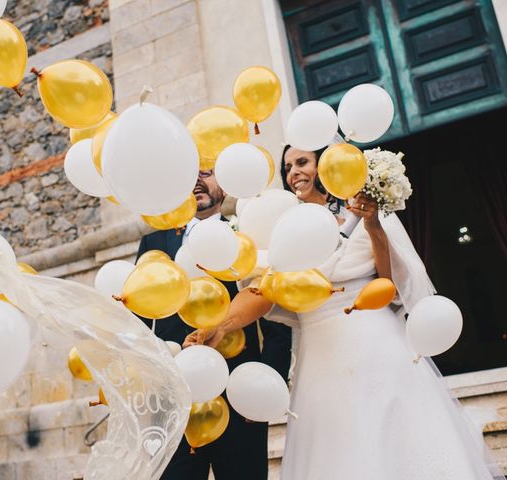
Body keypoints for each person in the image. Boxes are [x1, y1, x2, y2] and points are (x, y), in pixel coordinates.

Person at [185, 146, 504, 479]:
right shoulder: (282, 230)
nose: (294, 171)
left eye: (302, 162)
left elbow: (389, 285)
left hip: (376, 340)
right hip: (320, 355)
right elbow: (263, 292)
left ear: (325, 165)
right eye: (287, 166)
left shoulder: (363, 213)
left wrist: (373, 225)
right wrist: (221, 326)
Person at [137, 168, 292, 480]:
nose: (196, 179)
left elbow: (277, 320)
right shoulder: (153, 243)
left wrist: (264, 389)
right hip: (176, 403)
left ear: (227, 180)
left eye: (206, 172)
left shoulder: (246, 240)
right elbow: (138, 323)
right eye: (189, 171)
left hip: (241, 398)